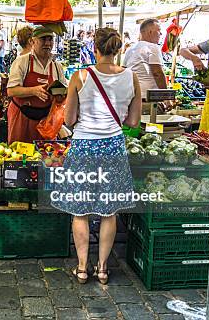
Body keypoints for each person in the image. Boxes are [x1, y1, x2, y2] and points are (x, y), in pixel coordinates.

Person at [53, 27, 141, 285]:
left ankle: (82, 267)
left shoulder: (80, 76)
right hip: (113, 146)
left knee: (80, 212)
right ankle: (103, 268)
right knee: (109, 211)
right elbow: (133, 120)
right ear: (118, 49)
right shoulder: (131, 77)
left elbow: (69, 119)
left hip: (83, 147)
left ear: (95, 48)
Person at [6, 25, 67, 144]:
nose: (48, 43)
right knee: (19, 155)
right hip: (21, 116)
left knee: (46, 155)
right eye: (43, 39)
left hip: (45, 120)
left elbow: (63, 92)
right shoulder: (22, 62)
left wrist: (60, 96)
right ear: (33, 41)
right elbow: (11, 91)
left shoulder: (56, 66)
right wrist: (34, 91)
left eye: (50, 39)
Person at [123, 19, 166, 99]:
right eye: (159, 30)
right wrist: (166, 96)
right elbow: (157, 73)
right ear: (150, 32)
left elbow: (124, 71)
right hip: (147, 97)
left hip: (131, 95)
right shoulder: (152, 47)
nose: (161, 34)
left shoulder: (130, 49)